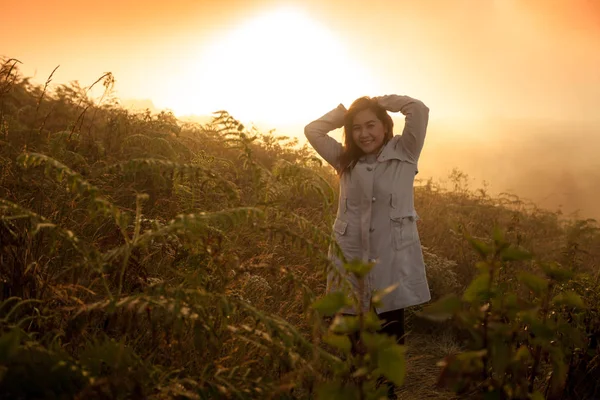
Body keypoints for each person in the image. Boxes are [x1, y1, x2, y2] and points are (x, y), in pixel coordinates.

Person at [304, 94, 431, 397]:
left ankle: (387, 391)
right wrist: (344, 113)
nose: (364, 134)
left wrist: (381, 100)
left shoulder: (406, 151)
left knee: (390, 326)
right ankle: (352, 387)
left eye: (371, 125)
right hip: (351, 252)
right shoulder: (344, 158)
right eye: (356, 128)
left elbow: (418, 109)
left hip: (391, 252)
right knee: (348, 324)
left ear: (386, 126)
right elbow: (313, 130)